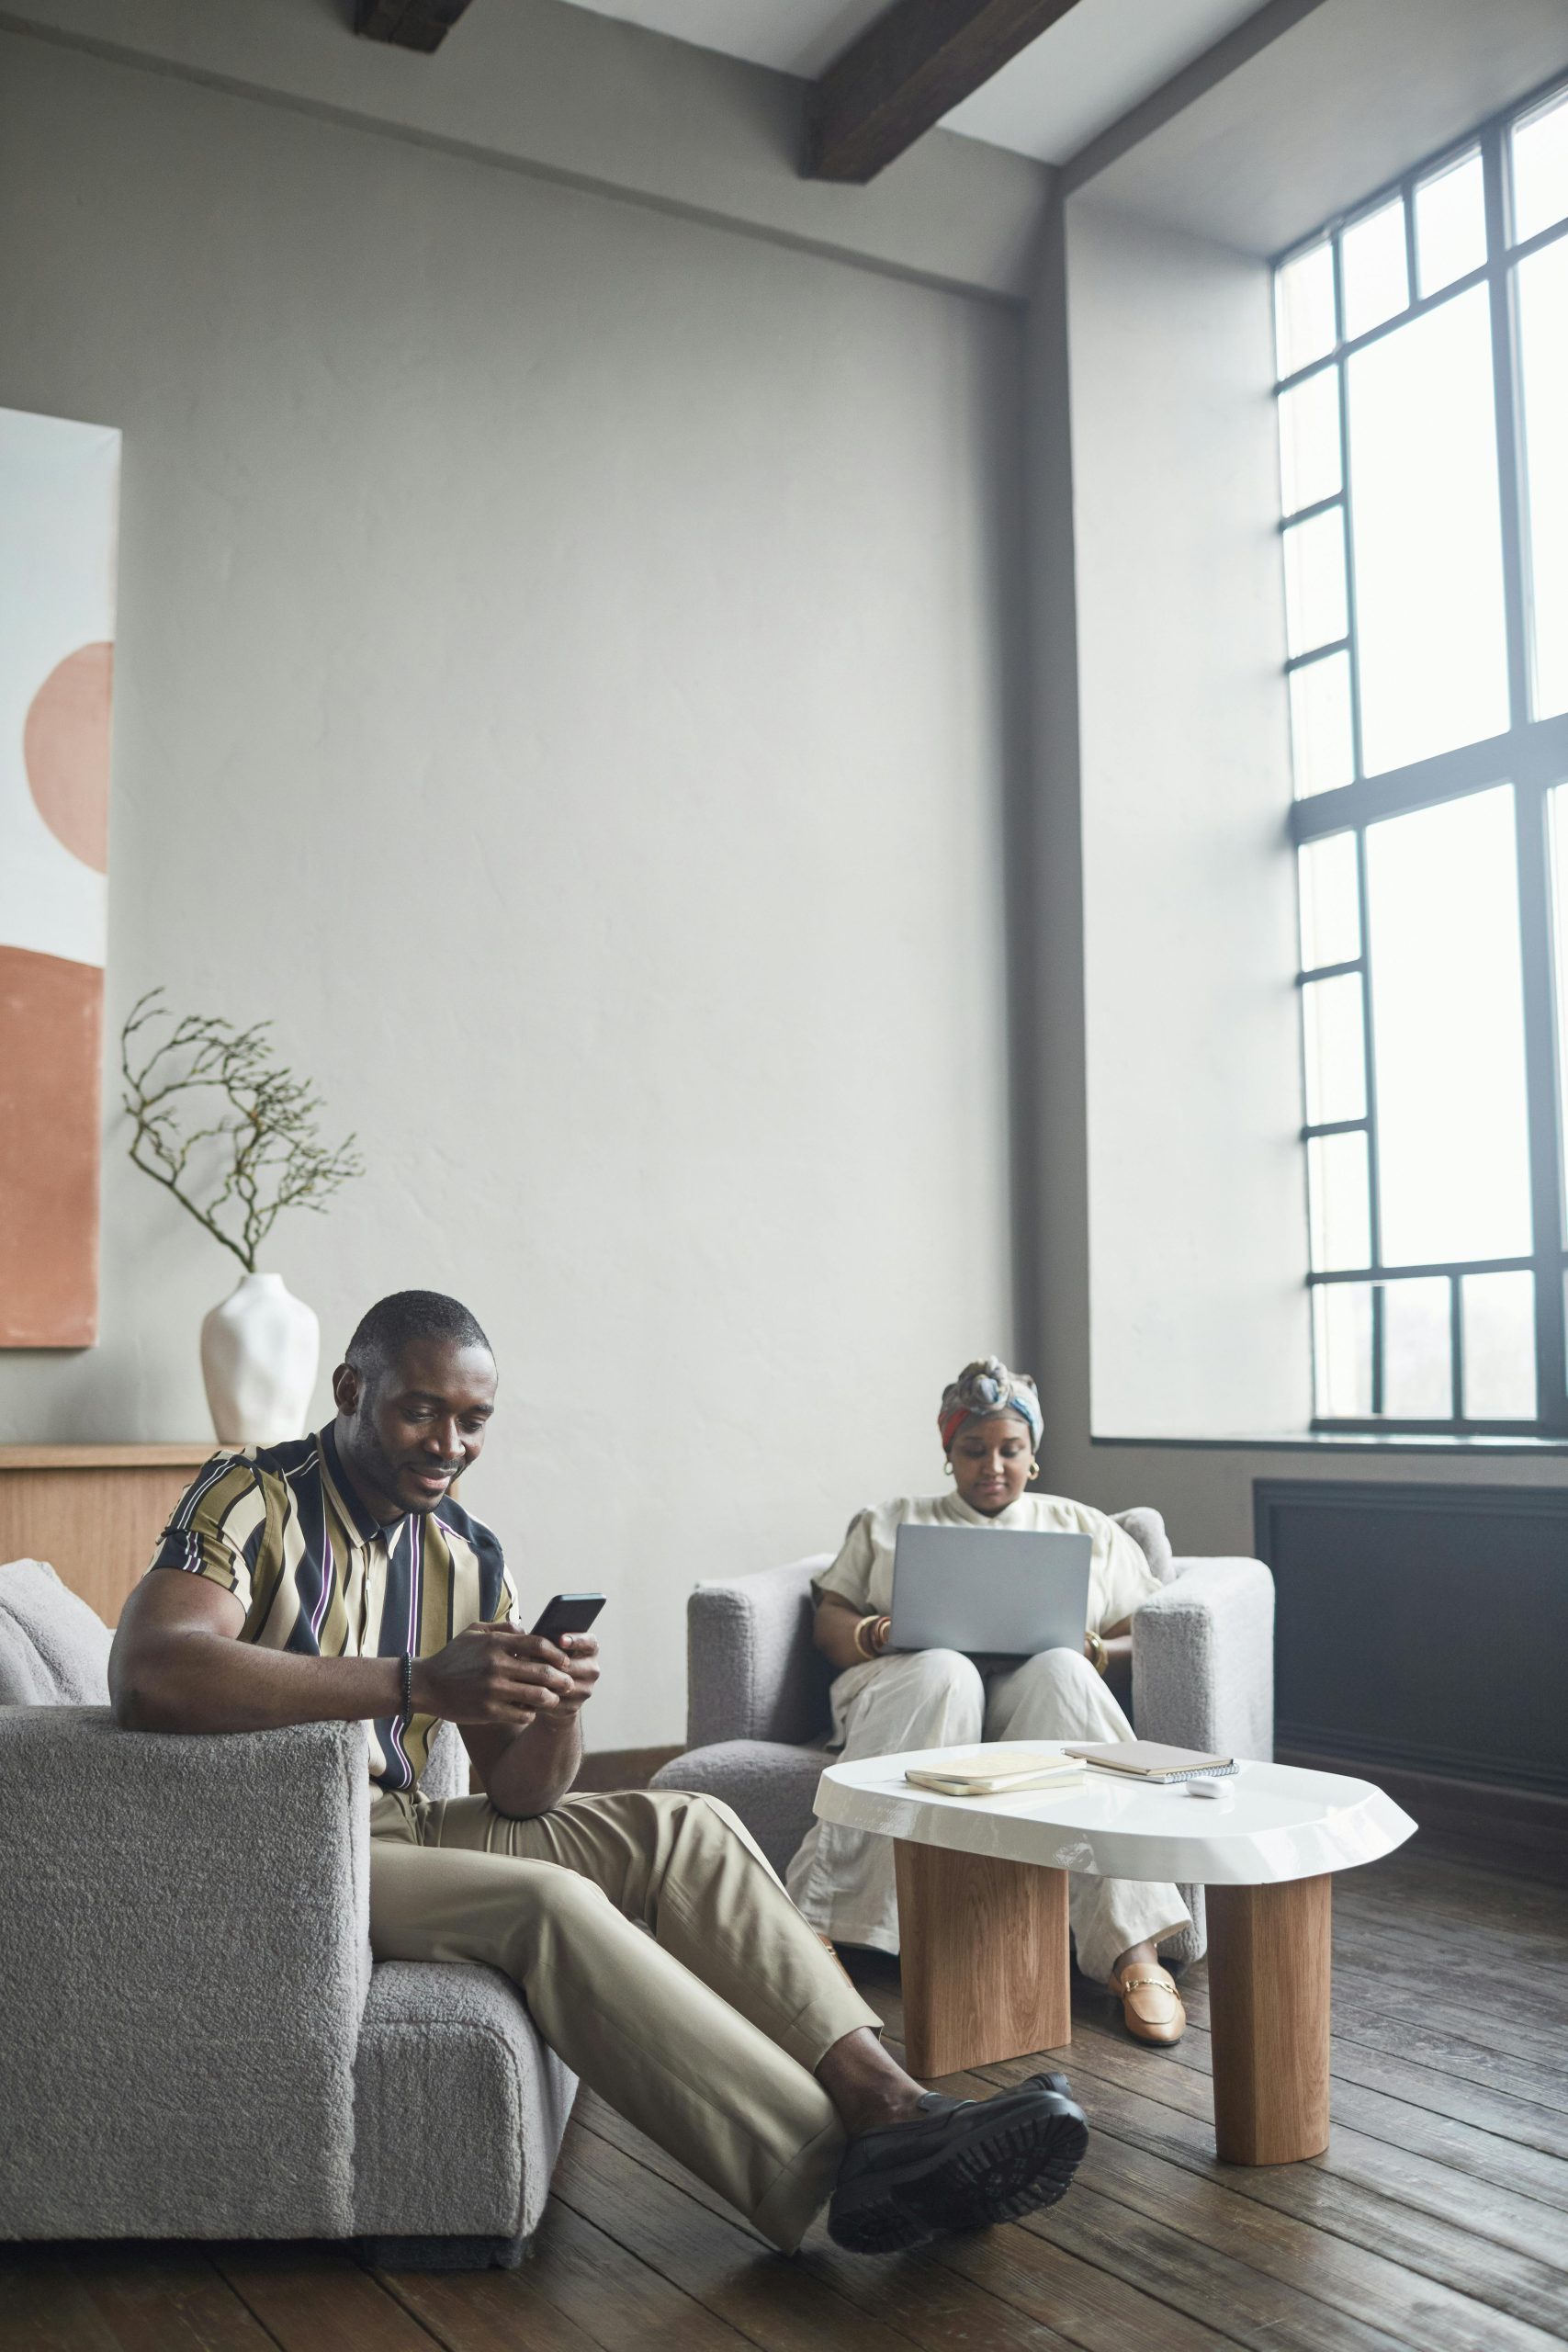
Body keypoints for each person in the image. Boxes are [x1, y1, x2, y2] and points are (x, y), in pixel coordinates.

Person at [108, 1295, 1089, 2258]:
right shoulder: (254, 1490)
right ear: (351, 1389)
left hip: (405, 1821)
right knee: (551, 1900)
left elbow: (524, 1794)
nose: (447, 1442)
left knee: (688, 1825)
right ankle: (831, 2168)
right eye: (420, 1409)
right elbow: (151, 1668)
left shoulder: (467, 1552)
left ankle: (891, 2101)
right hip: (284, 1841)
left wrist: (558, 1709)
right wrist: (413, 1681)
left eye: (473, 1419)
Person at [784, 1356, 1190, 2047]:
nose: (992, 1465)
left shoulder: (1081, 1525)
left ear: (1032, 1456)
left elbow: (1145, 1636)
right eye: (972, 1450)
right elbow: (830, 1621)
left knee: (1062, 1669)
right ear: (948, 1454)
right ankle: (815, 1927)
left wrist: (1093, 1650)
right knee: (942, 1669)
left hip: (1028, 1704)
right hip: (910, 1689)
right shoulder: (888, 1521)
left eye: (1010, 1450)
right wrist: (876, 1632)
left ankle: (1133, 1949)